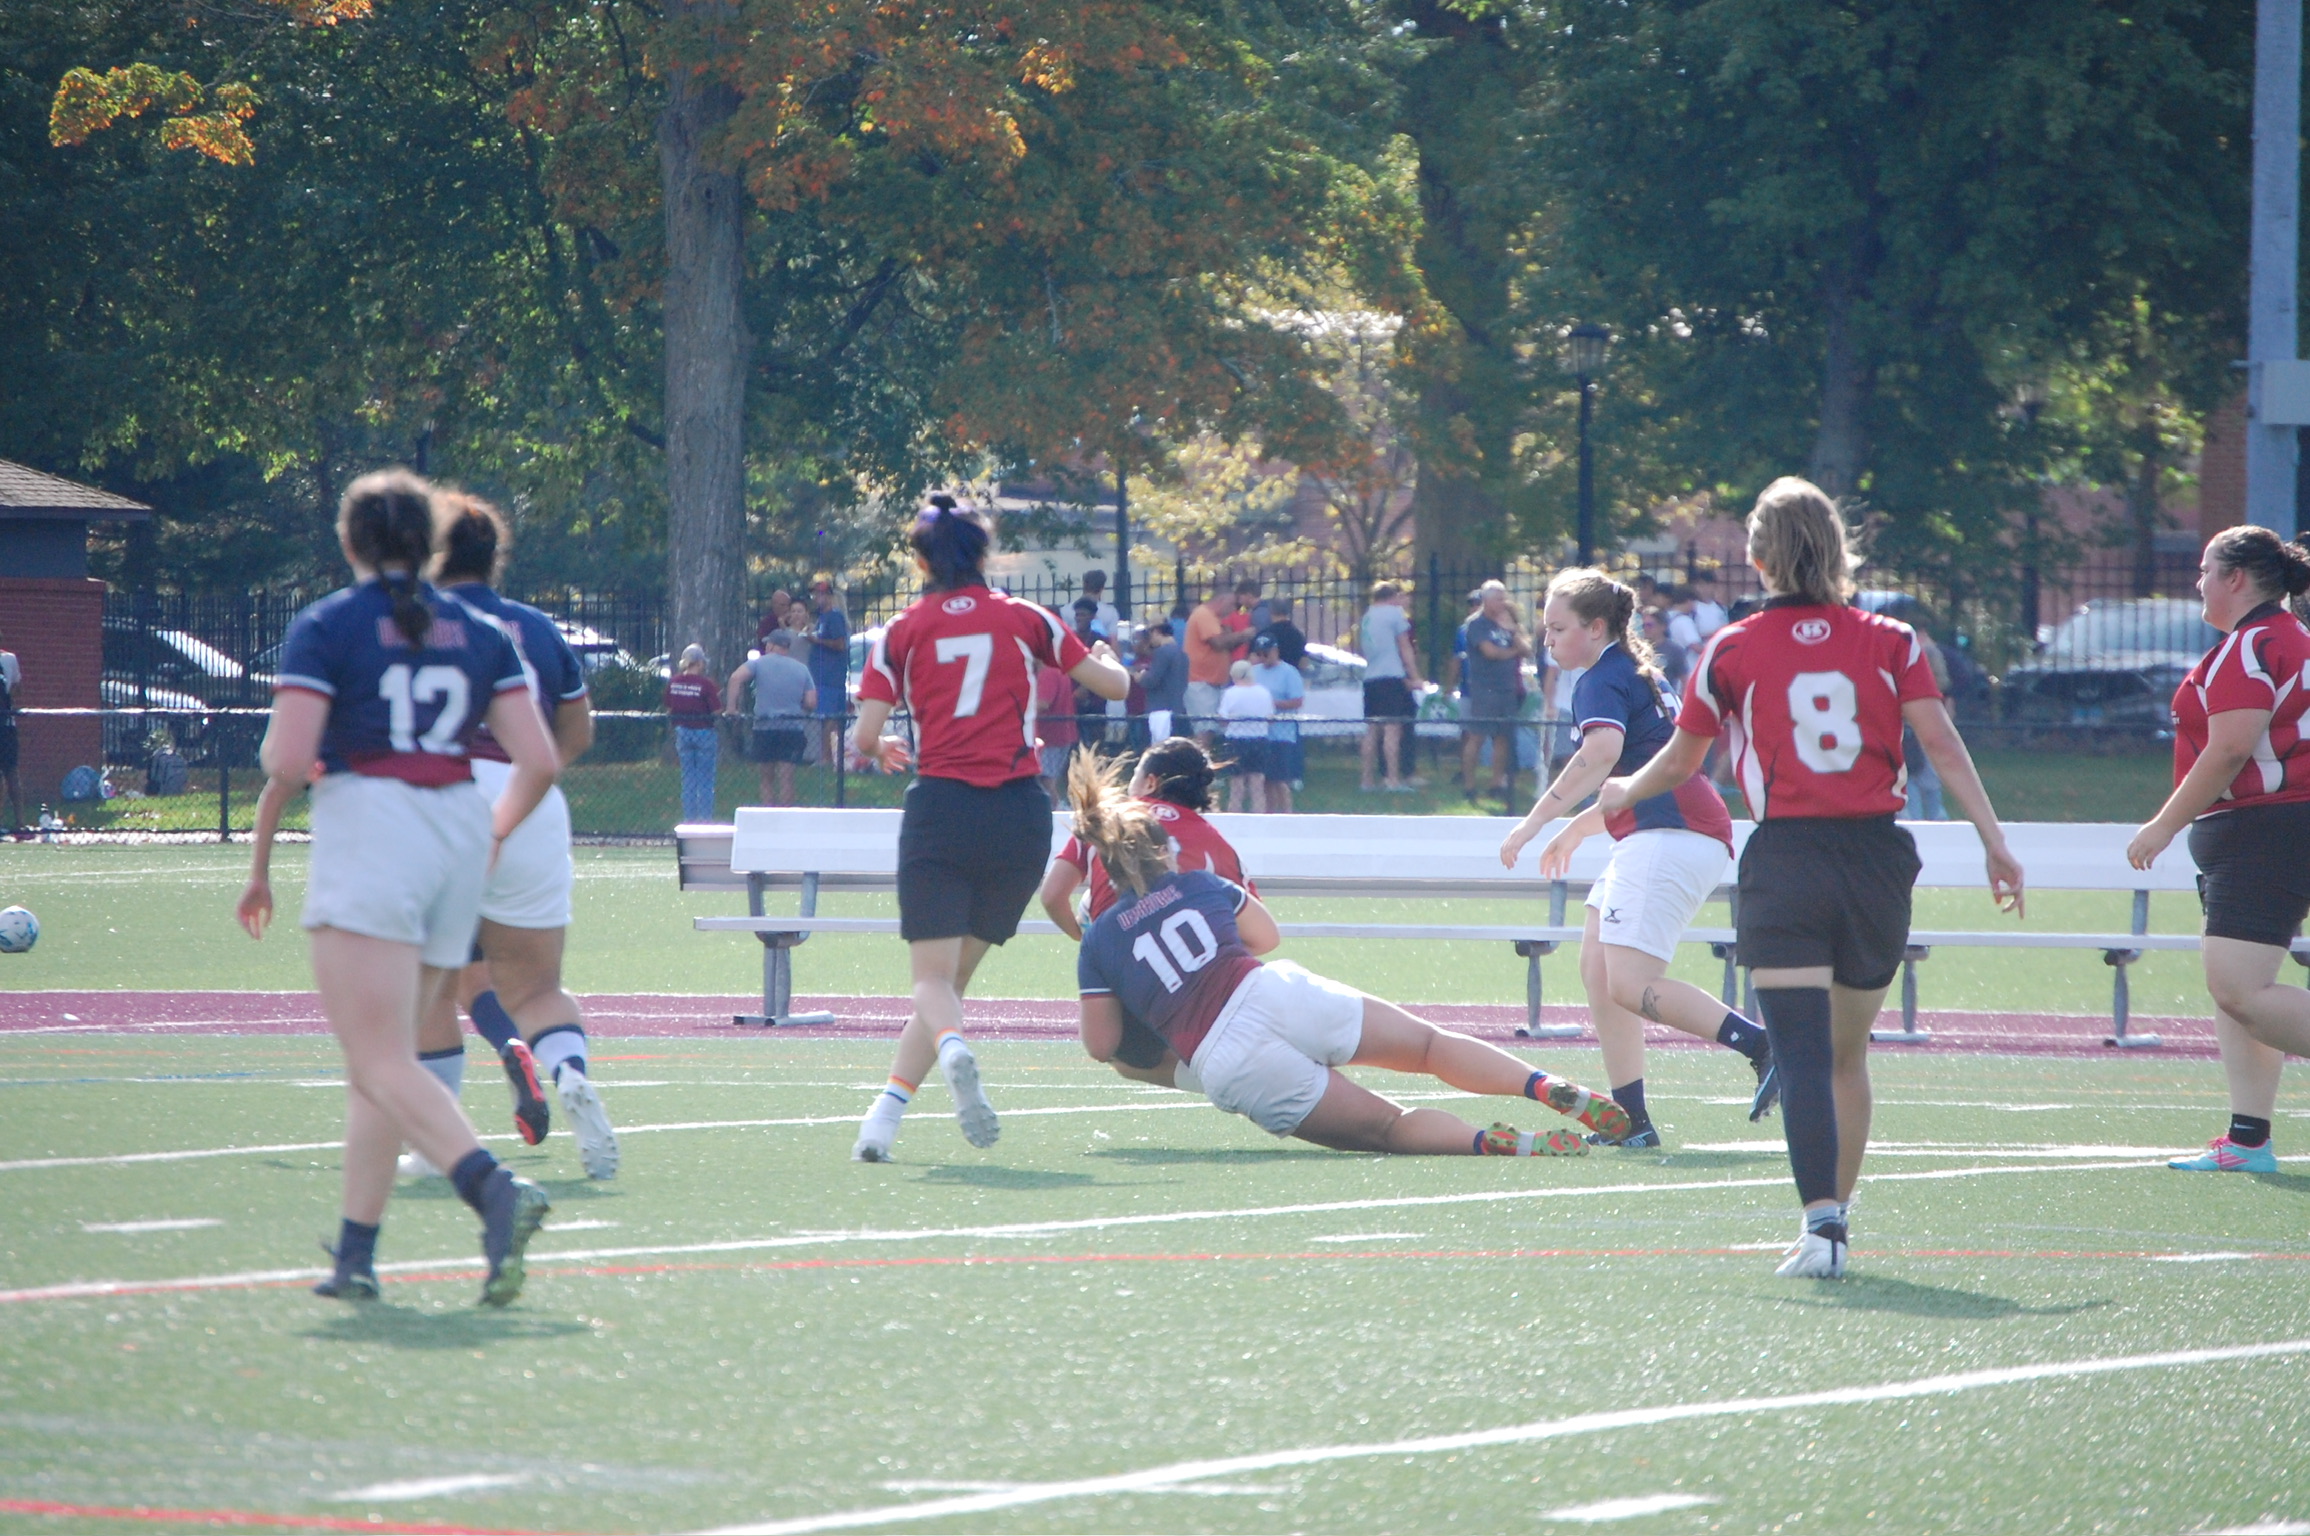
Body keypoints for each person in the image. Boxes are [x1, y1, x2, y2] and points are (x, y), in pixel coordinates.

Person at [1600, 477, 2022, 1279]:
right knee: (1844, 1055)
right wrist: (1994, 841)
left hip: (1788, 858)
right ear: (1840, 553)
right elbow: (1944, 745)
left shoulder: (1730, 646)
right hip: (1874, 857)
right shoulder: (1893, 638)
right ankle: (1838, 1216)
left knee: (1798, 1053)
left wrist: (1624, 789)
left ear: (1758, 559)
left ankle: (1821, 1227)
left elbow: (1686, 757)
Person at [253, 468, 556, 1304]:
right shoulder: (477, 628)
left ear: (350, 541)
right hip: (457, 825)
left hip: (373, 827)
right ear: (428, 543)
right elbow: (539, 760)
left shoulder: (328, 625)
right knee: (383, 1064)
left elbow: (286, 759)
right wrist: (492, 833)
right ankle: (355, 1255)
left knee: (379, 1057)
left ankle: (491, 1187)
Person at [1067, 753, 1626, 1154]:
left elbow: (1103, 1046)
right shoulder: (1200, 884)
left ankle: (1509, 1143)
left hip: (1227, 1056)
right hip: (1271, 991)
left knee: (1388, 1128)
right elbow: (1265, 938)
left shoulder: (1099, 938)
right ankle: (1542, 1085)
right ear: (1164, 850)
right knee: (1430, 1046)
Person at [848, 495, 1130, 1161]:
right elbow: (1112, 688)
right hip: (1018, 814)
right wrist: (1106, 653)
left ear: (921, 560)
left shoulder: (902, 630)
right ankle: (882, 1119)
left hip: (943, 807)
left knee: (931, 981)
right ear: (984, 554)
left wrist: (882, 745)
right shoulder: (1023, 617)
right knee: (953, 982)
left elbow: (864, 734)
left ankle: (952, 1051)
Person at [1499, 568, 1777, 1148]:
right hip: (1670, 830)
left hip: (1670, 834)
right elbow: (1643, 771)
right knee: (1598, 971)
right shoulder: (1629, 670)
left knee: (1629, 983)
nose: (1547, 640)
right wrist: (1579, 827)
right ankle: (1633, 1121)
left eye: (1558, 628)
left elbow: (1602, 755)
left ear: (1597, 628)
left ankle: (1762, 1045)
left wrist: (1535, 821)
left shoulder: (1600, 679)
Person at [423, 494, 619, 1182]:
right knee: (537, 988)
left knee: (429, 984)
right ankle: (566, 1068)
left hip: (440, 797)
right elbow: (577, 733)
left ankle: (433, 1143)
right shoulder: (536, 627)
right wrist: (527, 792)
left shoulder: (413, 620)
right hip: (529, 798)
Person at [2127, 525, 2310, 1175]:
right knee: (2240, 987)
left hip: (2267, 827)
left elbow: (2230, 748)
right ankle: (2249, 1137)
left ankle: (2250, 1140)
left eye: (2205, 570)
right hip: (2268, 828)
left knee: (2239, 989)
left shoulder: (2255, 644)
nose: (2197, 582)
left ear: (2237, 578)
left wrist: (2163, 825)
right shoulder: (2283, 640)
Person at [1042, 737, 1251, 1083]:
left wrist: (1090, 943)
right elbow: (1255, 932)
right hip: (1208, 1002)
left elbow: (1052, 896)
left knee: (1124, 1056)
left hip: (1137, 1006)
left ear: (1150, 782)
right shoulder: (1219, 845)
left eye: (1136, 775)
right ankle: (1226, 1069)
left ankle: (1215, 1081)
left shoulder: (1106, 822)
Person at [1459, 580, 1529, 802]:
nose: (1503, 602)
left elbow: (1526, 649)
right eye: (1498, 598)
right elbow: (1491, 653)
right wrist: (1513, 651)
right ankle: (1469, 785)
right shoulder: (1476, 624)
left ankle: (1496, 783)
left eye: (1504, 598)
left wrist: (1512, 632)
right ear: (1486, 600)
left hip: (1507, 689)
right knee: (1477, 736)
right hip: (1484, 689)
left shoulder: (1506, 622)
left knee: (1503, 738)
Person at [727, 632, 815, 807]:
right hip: (792, 728)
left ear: (773, 646)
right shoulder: (801, 669)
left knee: (766, 778)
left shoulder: (758, 664)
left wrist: (731, 708)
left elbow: (735, 678)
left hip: (764, 727)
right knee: (787, 778)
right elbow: (811, 702)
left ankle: (768, 817)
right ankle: (786, 819)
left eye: (768, 644)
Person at [1358, 580, 1424, 792]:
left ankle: (1367, 780)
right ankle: (1392, 779)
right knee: (1392, 729)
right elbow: (1405, 647)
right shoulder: (1395, 614)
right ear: (1390, 597)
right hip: (1391, 677)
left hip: (1371, 677)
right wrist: (1415, 677)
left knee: (1372, 730)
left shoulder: (1367, 617)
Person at [1184, 577, 1251, 738]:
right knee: (1204, 731)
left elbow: (1225, 644)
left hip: (1213, 683)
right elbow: (1218, 643)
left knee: (1212, 730)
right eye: (1232, 605)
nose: (1233, 609)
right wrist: (1243, 635)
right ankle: (1199, 761)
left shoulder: (1215, 619)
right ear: (1222, 600)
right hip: (1200, 683)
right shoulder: (1204, 615)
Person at [1901, 620, 1953, 820]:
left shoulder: (1920, 652)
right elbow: (1944, 686)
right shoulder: (1930, 652)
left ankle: (1922, 820)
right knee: (1926, 780)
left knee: (1914, 776)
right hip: (1928, 722)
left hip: (1911, 725)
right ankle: (1935, 819)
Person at [666, 644, 722, 823]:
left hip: (682, 731)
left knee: (688, 778)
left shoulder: (674, 682)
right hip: (704, 731)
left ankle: (689, 819)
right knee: (705, 779)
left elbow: (669, 706)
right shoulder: (706, 684)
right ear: (699, 663)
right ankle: (705, 819)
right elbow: (715, 711)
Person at [1250, 633, 1304, 813]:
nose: (1263, 658)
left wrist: (1271, 703)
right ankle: (1269, 813)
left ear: (1275, 650)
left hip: (1282, 734)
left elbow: (1297, 700)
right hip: (1260, 734)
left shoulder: (1289, 672)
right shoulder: (1254, 672)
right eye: (1260, 654)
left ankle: (1287, 813)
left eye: (1267, 653)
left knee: (1280, 779)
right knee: (1265, 779)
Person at [804, 576, 851, 767]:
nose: (818, 598)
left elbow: (839, 644)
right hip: (822, 676)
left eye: (822, 594)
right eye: (815, 594)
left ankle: (828, 758)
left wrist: (816, 641)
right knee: (826, 718)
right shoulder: (823, 618)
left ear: (830, 596)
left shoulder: (835, 617)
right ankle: (834, 757)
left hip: (831, 676)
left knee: (830, 718)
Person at [1217, 658, 1273, 812]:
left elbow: (1223, 719)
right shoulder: (1264, 692)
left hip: (1236, 741)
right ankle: (1259, 820)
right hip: (1259, 740)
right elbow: (1270, 718)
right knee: (1257, 785)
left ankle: (1235, 819)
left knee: (1237, 786)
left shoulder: (1231, 693)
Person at [1034, 631, 1081, 801]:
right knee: (1046, 781)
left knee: (1046, 782)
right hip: (1059, 735)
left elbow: (1043, 703)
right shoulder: (1056, 669)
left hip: (1052, 737)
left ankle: (1056, 814)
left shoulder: (1048, 672)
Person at [1135, 619, 1188, 741]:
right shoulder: (1182, 654)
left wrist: (1141, 677)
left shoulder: (1162, 652)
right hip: (1177, 708)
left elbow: (1152, 680)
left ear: (1156, 632)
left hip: (1160, 710)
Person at [0, 630, 20, 832]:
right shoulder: (10, 659)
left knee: (9, 772)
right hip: (7, 724)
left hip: (5, 724)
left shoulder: (8, 659)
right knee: (11, 772)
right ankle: (20, 822)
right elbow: (17, 689)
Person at [1252, 595, 1306, 669]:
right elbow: (1303, 664)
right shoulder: (1298, 636)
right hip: (1291, 677)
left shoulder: (1264, 635)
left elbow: (1253, 662)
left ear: (1271, 611)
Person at [1081, 569, 1121, 637]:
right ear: (1102, 588)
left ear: (1084, 585)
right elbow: (1113, 641)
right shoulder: (1110, 612)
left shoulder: (1066, 610)